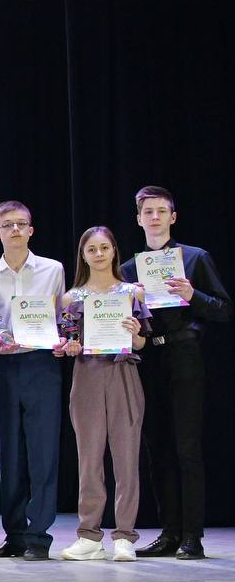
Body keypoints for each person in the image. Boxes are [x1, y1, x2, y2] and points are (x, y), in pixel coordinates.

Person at [121, 186, 231, 560]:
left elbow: (223, 309)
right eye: (147, 212)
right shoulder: (129, 270)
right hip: (149, 357)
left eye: (161, 211)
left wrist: (192, 295)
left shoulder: (195, 258)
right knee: (158, 448)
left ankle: (192, 536)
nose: (154, 217)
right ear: (138, 219)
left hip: (185, 355)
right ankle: (169, 532)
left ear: (173, 216)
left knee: (187, 447)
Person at [0, 200, 66, 561]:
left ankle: (39, 535)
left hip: (41, 365)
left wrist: (62, 338)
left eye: (21, 224)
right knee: (7, 453)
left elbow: (62, 318)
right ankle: (14, 534)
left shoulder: (53, 270)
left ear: (31, 230)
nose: (15, 229)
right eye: (7, 225)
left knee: (43, 452)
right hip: (1, 367)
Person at [57, 226, 150, 562]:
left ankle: (124, 535)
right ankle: (89, 535)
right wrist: (70, 346)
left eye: (104, 248)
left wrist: (135, 334)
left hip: (123, 373)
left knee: (126, 458)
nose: (98, 254)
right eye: (91, 249)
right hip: (87, 376)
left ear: (114, 251)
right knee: (89, 458)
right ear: (83, 255)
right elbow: (67, 341)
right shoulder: (71, 298)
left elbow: (141, 342)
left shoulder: (132, 293)